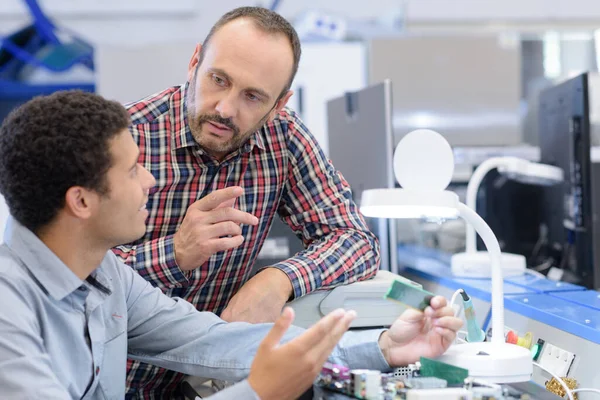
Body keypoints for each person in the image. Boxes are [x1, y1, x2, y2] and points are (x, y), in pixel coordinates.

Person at [0, 91, 462, 399]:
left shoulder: (103, 273)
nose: (150, 180)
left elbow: (216, 340)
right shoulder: (8, 307)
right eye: (133, 170)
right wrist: (259, 390)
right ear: (80, 201)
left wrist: (380, 348)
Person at [113, 6, 381, 397]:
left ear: (279, 104)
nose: (225, 108)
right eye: (218, 79)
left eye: (253, 96)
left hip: (212, 380)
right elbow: (78, 275)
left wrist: (278, 280)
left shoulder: (282, 139)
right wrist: (176, 254)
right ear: (193, 64)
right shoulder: (126, 137)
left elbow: (356, 240)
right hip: (109, 384)